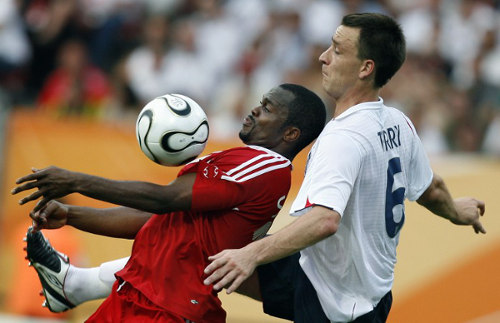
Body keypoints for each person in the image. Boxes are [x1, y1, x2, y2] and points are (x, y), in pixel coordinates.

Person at [201, 13, 486, 323]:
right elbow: (431, 188)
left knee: (232, 259)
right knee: (208, 255)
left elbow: (324, 221)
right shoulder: (398, 122)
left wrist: (249, 255)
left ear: (366, 68)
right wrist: (457, 211)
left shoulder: (342, 139)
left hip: (338, 305)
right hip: (343, 277)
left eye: (337, 50)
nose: (324, 58)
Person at [13, 83, 326, 322]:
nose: (255, 110)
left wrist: (75, 181)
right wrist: (72, 214)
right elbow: (155, 218)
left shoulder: (264, 166)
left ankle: (75, 285)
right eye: (260, 103)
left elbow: (164, 200)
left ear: (291, 134)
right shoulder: (246, 161)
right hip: (136, 292)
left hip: (169, 308)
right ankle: (74, 285)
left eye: (268, 109)